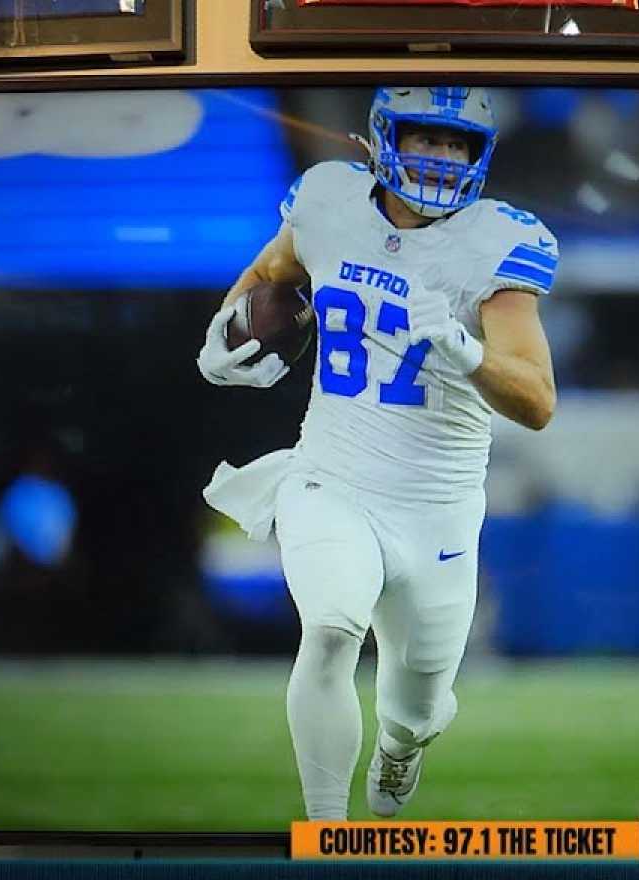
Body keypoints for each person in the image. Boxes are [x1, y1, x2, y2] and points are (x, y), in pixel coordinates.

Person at [197, 87, 558, 821]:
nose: (442, 157)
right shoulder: (329, 201)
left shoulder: (495, 242)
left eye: (457, 144)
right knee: (330, 629)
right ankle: (327, 837)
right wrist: (220, 335)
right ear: (386, 138)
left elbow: (538, 400)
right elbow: (272, 274)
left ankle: (401, 748)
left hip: (438, 509)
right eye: (428, 139)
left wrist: (463, 351)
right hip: (334, 475)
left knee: (416, 702)